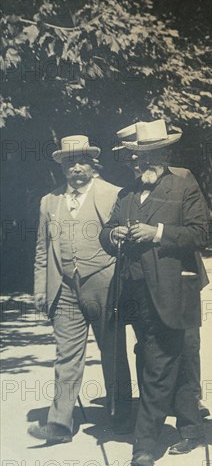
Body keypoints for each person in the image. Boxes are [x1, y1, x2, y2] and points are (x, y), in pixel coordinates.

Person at [101, 119, 208, 466]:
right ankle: (190, 425)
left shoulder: (183, 185)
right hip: (132, 292)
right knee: (151, 357)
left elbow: (199, 233)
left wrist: (157, 232)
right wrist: (113, 235)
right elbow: (105, 231)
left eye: (148, 156)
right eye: (135, 157)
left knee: (164, 359)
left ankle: (144, 444)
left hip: (172, 289)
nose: (140, 164)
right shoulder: (126, 194)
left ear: (164, 154)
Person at [28, 135, 132, 444]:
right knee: (66, 355)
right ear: (61, 166)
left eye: (82, 161)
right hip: (64, 287)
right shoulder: (50, 201)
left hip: (104, 281)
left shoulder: (112, 194)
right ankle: (59, 423)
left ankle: (121, 413)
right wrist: (40, 290)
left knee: (112, 350)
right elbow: (42, 250)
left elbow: (122, 242)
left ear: (93, 165)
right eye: (69, 162)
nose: (76, 167)